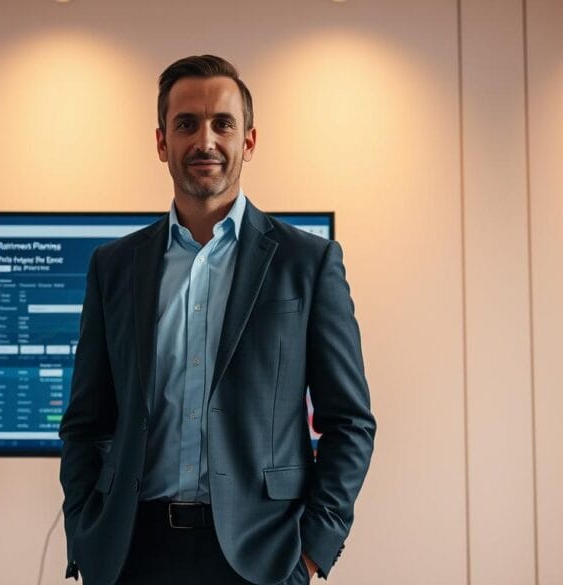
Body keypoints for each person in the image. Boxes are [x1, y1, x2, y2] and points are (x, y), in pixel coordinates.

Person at [59, 54, 375, 585]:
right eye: (186, 124)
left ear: (248, 140)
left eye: (222, 123)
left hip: (263, 557)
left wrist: (312, 552)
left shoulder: (307, 263)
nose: (205, 140)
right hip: (131, 554)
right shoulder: (113, 267)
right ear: (162, 142)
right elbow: (87, 423)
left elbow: (350, 422)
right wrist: (85, 534)